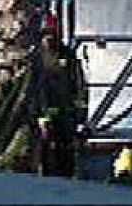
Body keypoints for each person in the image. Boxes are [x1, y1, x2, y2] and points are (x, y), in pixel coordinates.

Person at [33, 13, 85, 178]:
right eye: (46, 33)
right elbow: (33, 89)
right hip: (41, 121)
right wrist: (40, 114)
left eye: (52, 33)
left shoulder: (68, 57)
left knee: (65, 159)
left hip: (66, 120)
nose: (49, 38)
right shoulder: (35, 59)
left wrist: (80, 116)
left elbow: (79, 86)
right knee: (45, 158)